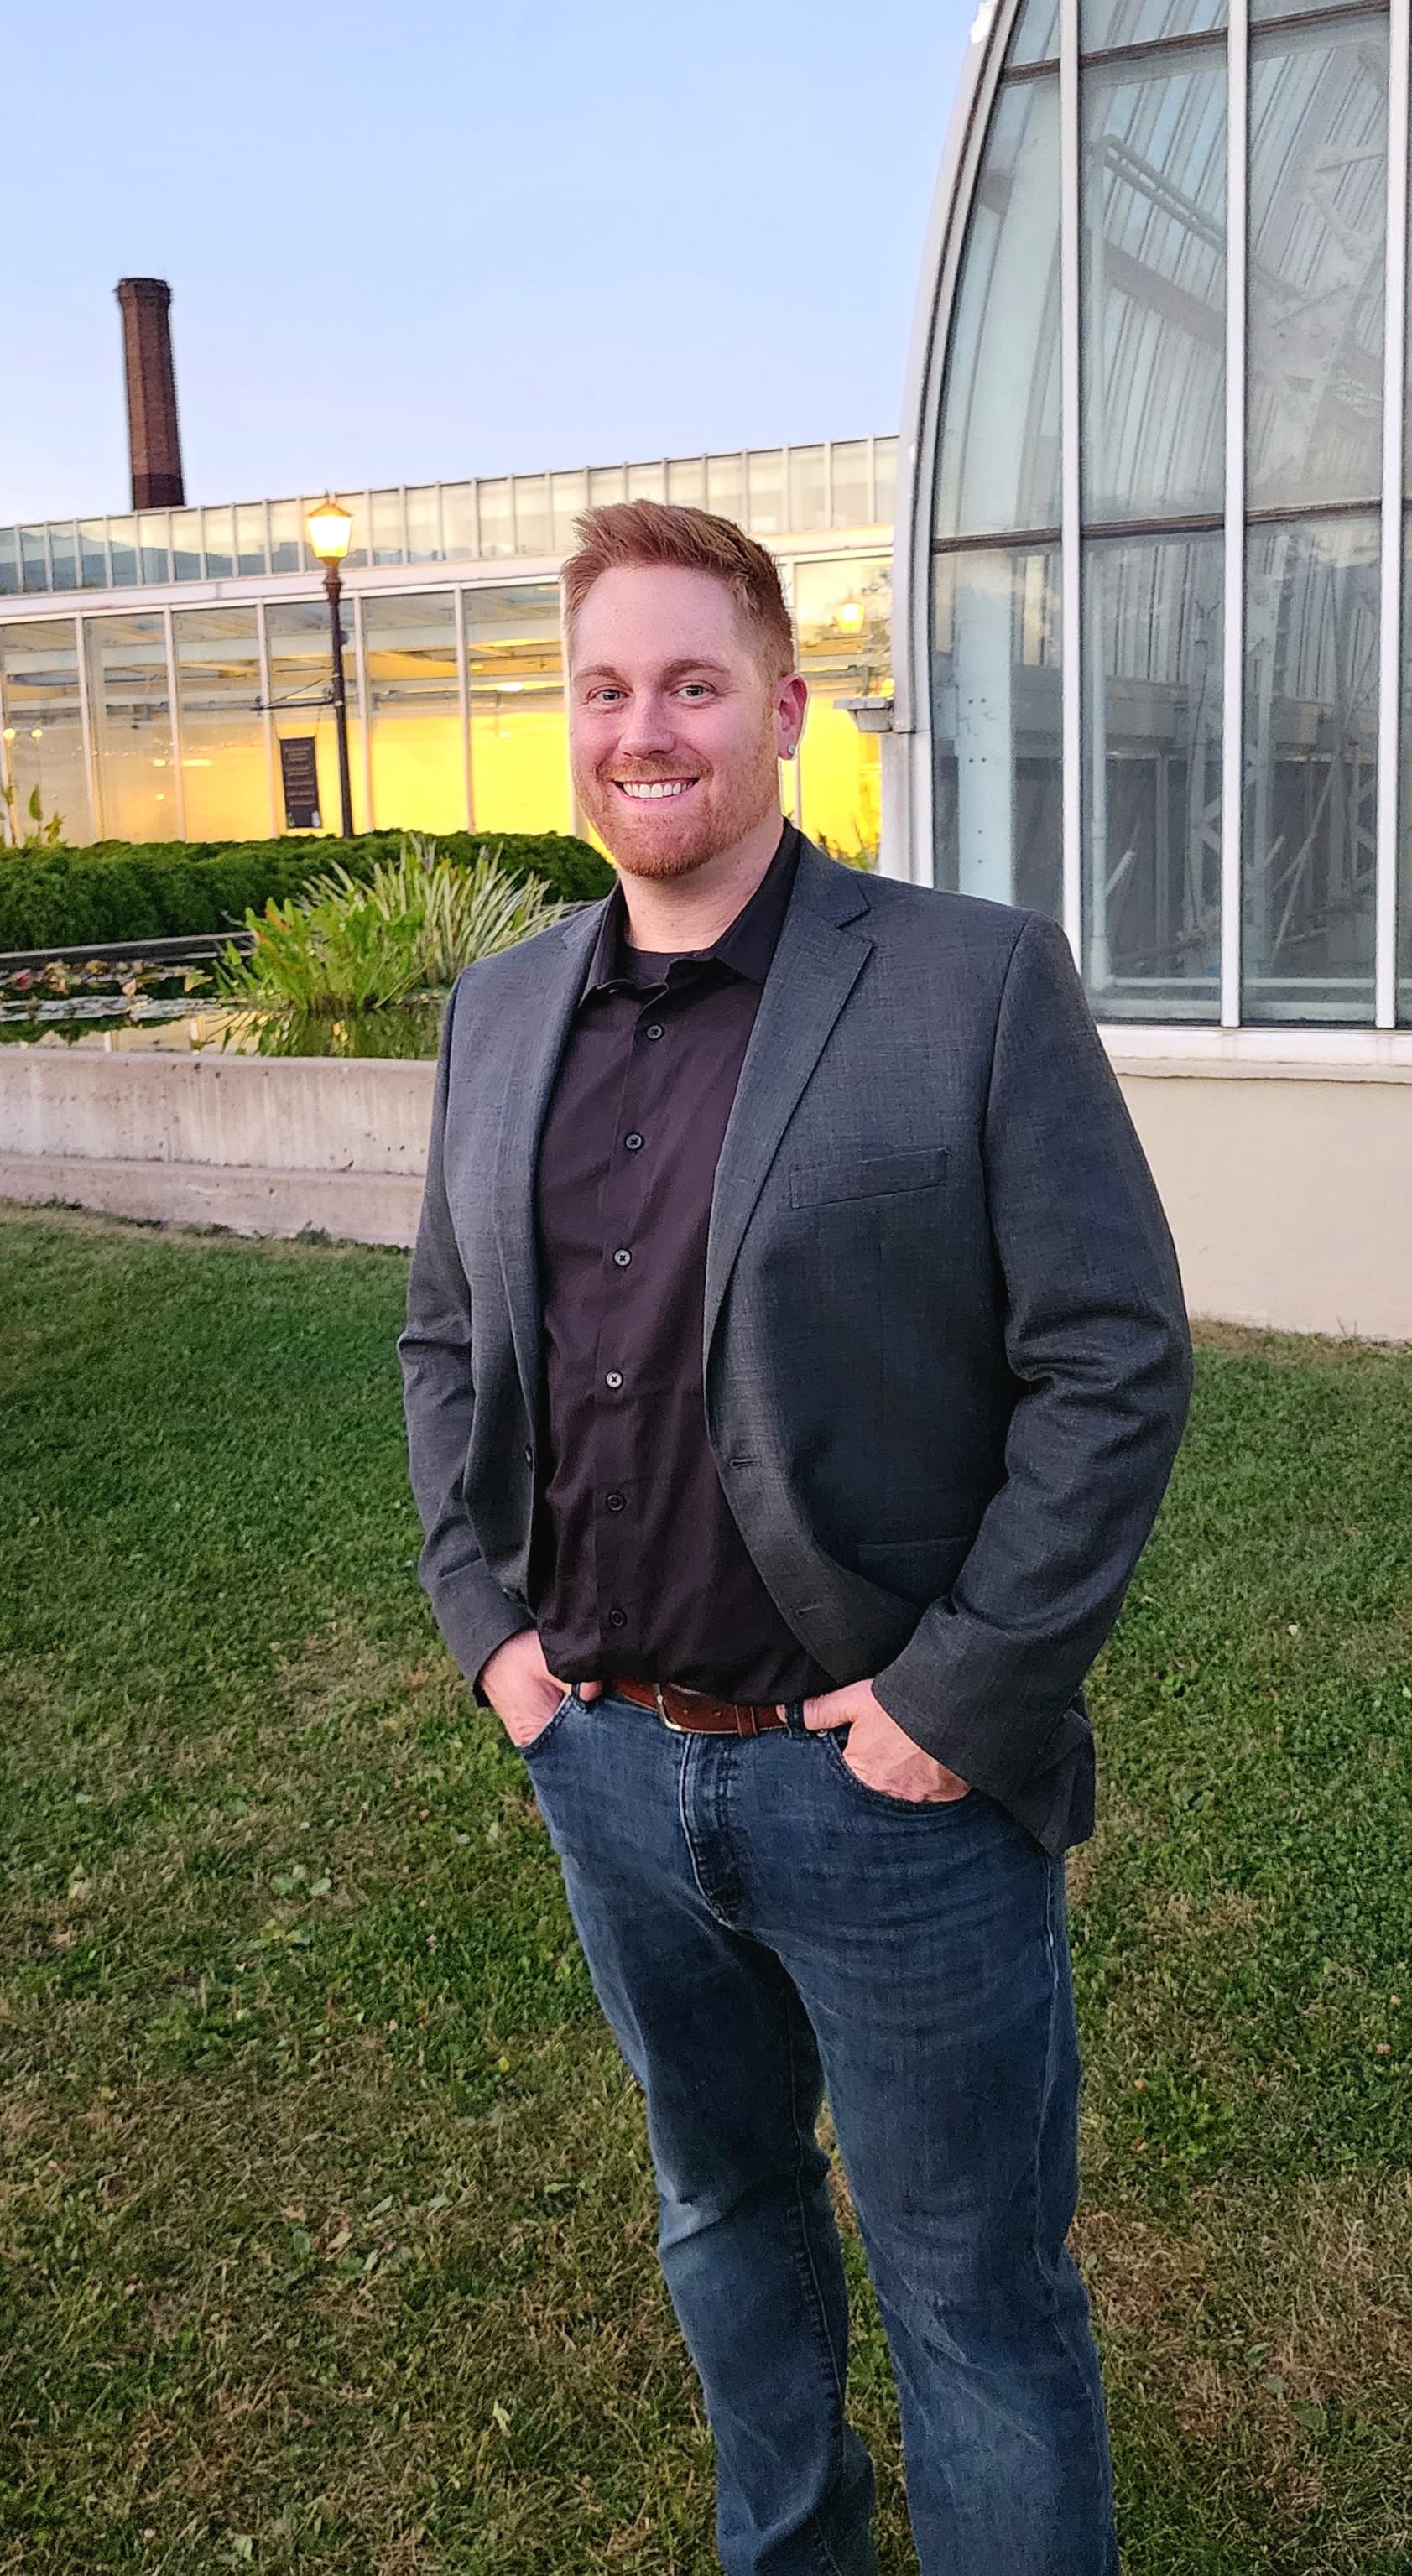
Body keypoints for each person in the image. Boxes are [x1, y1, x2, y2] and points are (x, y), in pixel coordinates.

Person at [399, 499, 1191, 2576]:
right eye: (600, 687)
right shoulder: (497, 1013)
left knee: (974, 2302)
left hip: (888, 1797)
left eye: (687, 682)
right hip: (605, 1767)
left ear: (780, 707)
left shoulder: (964, 982)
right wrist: (492, 1637)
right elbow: (440, 1338)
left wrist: (953, 1698)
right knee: (720, 2206)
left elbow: (1109, 1361)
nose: (639, 727)